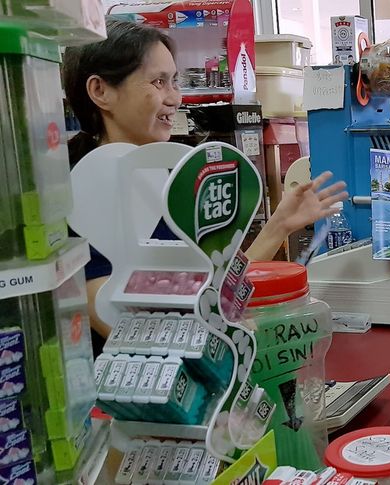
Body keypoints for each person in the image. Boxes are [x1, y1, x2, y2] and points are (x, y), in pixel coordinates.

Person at [62, 20, 349, 345]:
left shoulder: (176, 179)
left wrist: (278, 226)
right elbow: (121, 326)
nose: (174, 98)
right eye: (159, 82)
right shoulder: (79, 193)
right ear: (101, 91)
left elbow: (215, 286)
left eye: (175, 82)